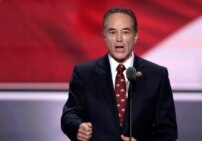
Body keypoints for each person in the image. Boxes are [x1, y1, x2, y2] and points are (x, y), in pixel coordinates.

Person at [61, 7, 178, 141]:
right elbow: (70, 115)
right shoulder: (84, 74)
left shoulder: (157, 75)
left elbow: (168, 131)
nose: (119, 39)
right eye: (112, 32)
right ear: (104, 36)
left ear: (136, 36)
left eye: (125, 32)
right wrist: (78, 127)